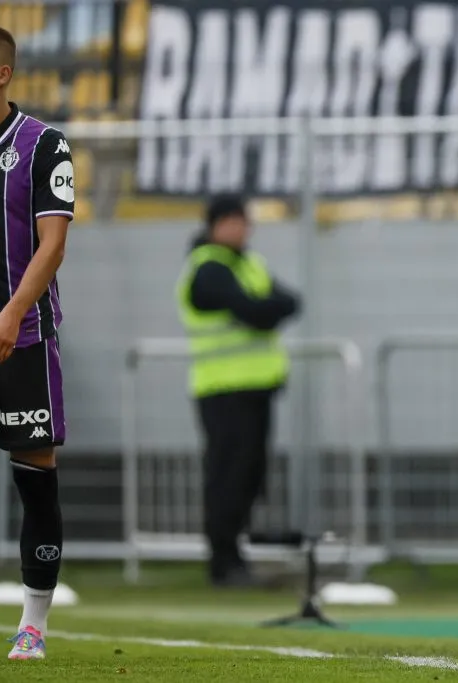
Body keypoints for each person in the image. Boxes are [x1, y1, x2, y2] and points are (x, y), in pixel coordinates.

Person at [0, 26, 75, 661]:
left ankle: (33, 625)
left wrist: (13, 314)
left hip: (24, 339)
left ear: (0, 74)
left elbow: (53, 243)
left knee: (35, 482)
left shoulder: (42, 145)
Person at [176, 194, 301, 587]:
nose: (242, 228)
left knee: (249, 475)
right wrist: (263, 308)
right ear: (215, 225)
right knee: (228, 476)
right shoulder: (208, 268)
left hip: (255, 387)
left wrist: (263, 307)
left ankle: (235, 558)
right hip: (222, 389)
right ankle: (224, 562)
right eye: (233, 221)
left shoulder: (248, 264)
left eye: (244, 221)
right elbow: (259, 311)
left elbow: (290, 301)